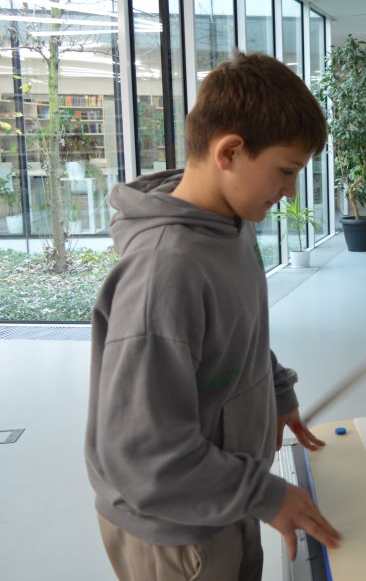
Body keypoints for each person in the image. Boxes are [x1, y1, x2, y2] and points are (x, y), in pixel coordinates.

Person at [85, 52, 341, 581]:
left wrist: (275, 393)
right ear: (229, 152)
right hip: (174, 531)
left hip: (223, 492)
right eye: (286, 171)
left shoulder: (231, 224)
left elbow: (236, 332)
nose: (290, 191)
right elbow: (142, 455)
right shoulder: (164, 271)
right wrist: (265, 494)